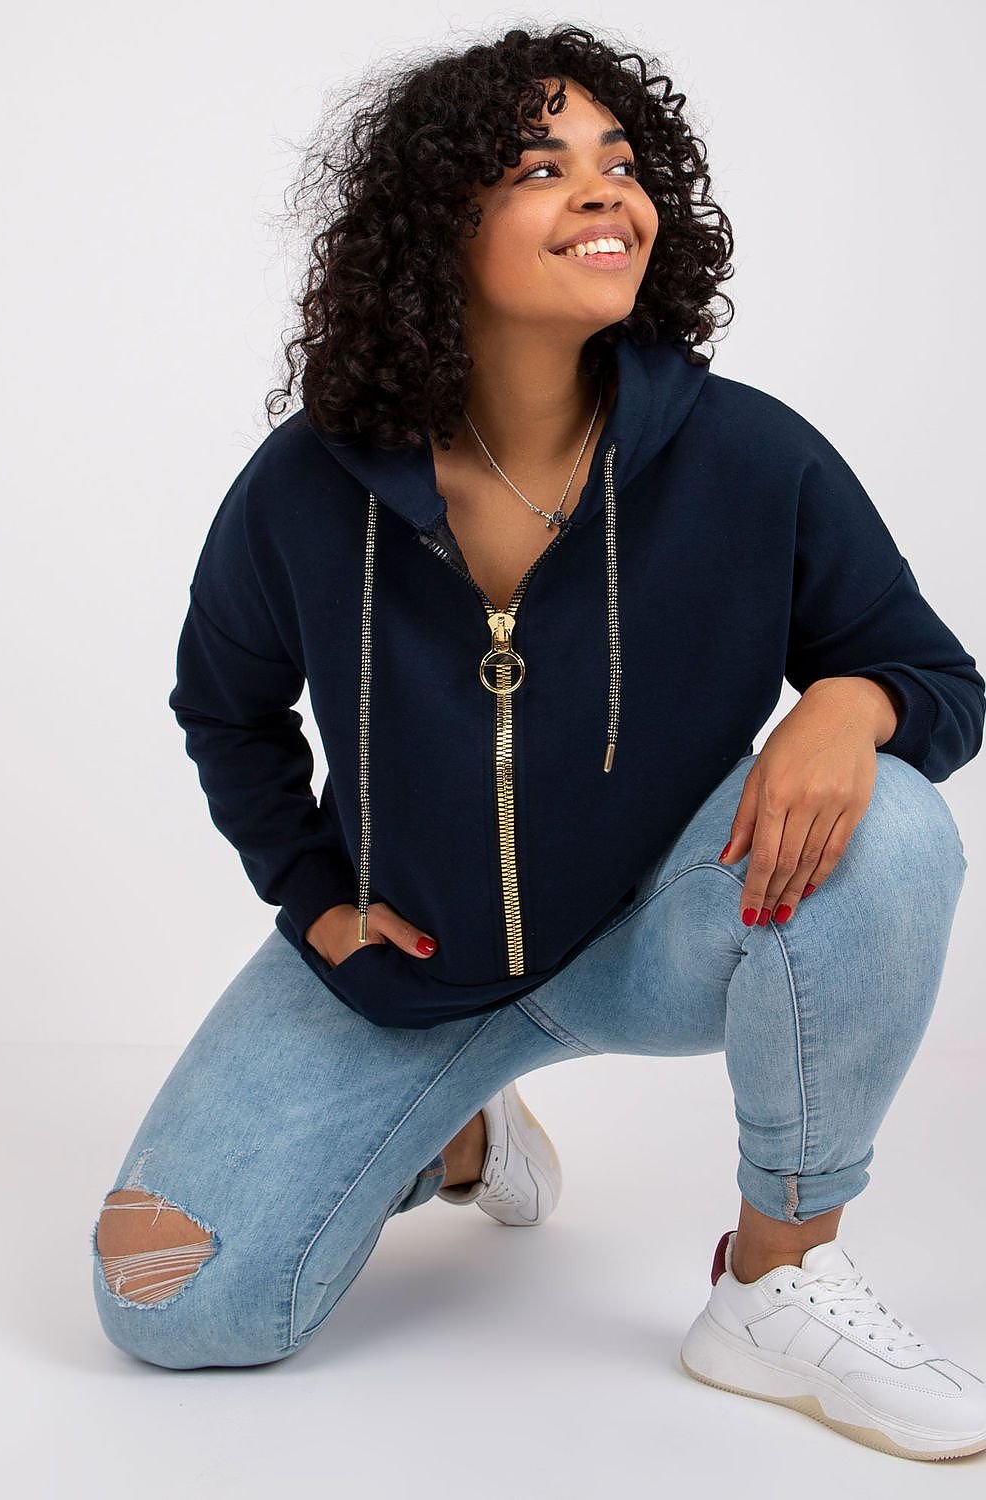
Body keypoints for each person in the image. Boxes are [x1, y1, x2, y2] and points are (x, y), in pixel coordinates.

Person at [90, 26, 986, 1461]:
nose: (604, 192)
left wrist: (850, 703)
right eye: (539, 168)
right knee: (171, 1304)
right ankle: (462, 1127)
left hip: (665, 935)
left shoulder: (751, 458)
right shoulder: (309, 485)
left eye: (620, 164)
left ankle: (775, 1279)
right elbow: (225, 708)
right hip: (412, 968)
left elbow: (939, 680)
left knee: (890, 821)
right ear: (437, 229)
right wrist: (316, 901)